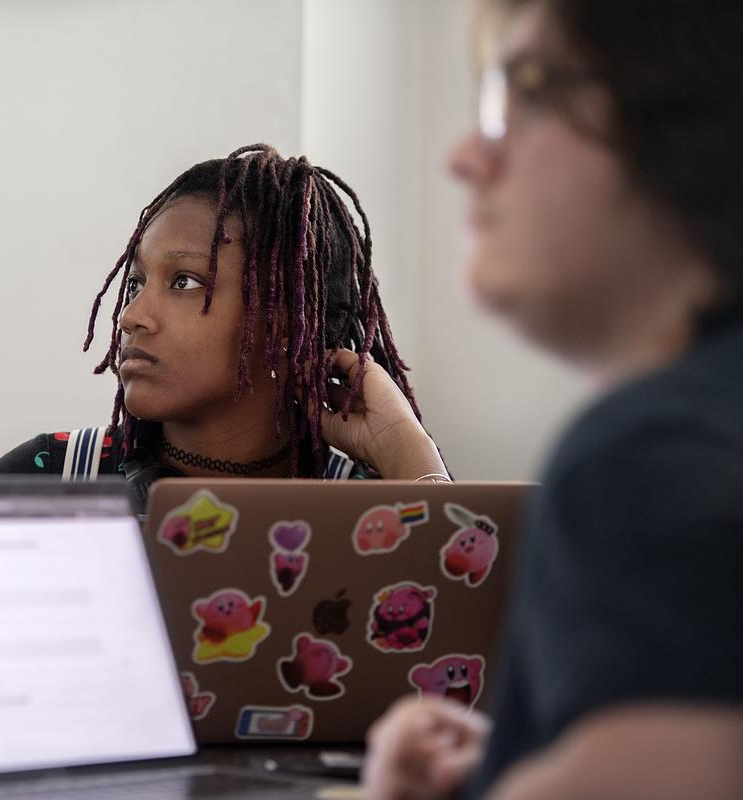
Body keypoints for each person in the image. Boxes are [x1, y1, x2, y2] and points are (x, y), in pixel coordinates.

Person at [0, 144, 449, 725]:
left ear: (285, 319)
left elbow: (474, 699)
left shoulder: (373, 512)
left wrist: (407, 449)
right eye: (136, 281)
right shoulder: (58, 476)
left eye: (182, 282)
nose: (132, 315)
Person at [362, 2, 743, 798]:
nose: (466, 156)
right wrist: (524, 763)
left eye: (526, 91)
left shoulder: (653, 451)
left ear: (691, 112)